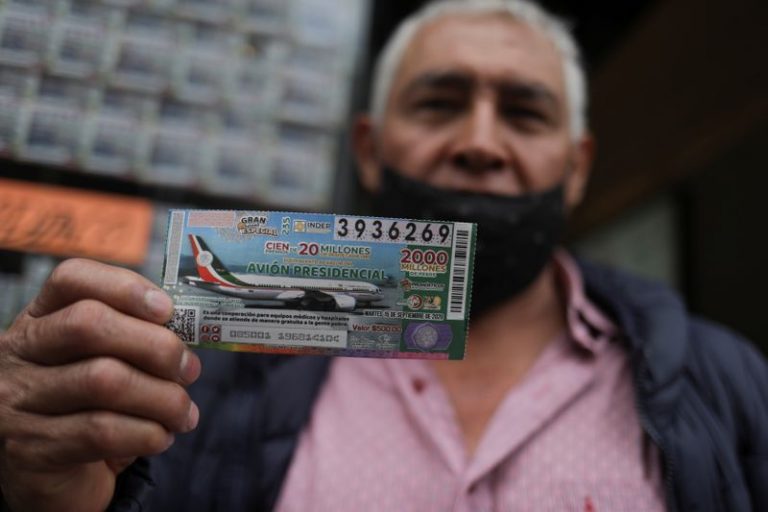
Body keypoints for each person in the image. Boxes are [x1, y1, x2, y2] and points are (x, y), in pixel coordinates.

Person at [1, 1, 766, 511]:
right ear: (367, 148)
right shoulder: (196, 388)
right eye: (439, 103)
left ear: (576, 166)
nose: (478, 142)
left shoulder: (728, 387)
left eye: (525, 113)